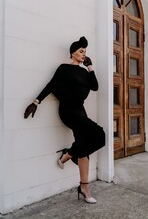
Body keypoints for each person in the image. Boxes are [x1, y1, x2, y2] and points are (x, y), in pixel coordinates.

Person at [24, 36, 105, 204]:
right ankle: (67, 154)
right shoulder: (63, 68)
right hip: (68, 111)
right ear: (72, 53)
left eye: (85, 52)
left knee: (84, 147)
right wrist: (35, 102)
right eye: (81, 51)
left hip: (80, 111)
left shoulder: (84, 71)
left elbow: (95, 86)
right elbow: (51, 85)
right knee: (99, 134)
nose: (84, 54)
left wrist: (90, 67)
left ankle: (84, 186)